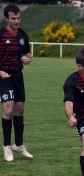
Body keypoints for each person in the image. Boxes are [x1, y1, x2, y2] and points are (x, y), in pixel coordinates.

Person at [0, 4, 33, 162]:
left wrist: (28, 59)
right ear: (6, 18)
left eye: (18, 18)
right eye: (13, 18)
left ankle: (18, 144)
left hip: (18, 76)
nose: (16, 21)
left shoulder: (23, 36)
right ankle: (6, 146)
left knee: (19, 110)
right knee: (8, 111)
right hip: (3, 77)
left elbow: (27, 53)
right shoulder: (0, 35)